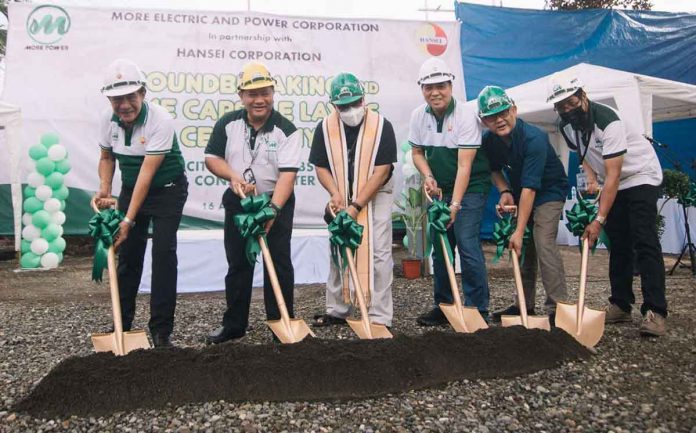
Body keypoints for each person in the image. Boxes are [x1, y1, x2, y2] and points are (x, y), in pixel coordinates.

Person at [547, 74, 667, 336]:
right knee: (618, 241)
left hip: (639, 175)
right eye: (561, 106)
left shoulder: (607, 121)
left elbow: (613, 175)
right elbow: (582, 153)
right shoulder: (566, 126)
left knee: (643, 239)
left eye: (571, 102)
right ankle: (621, 304)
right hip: (614, 181)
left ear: (582, 96)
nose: (568, 109)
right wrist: (590, 174)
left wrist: (598, 219)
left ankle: (655, 310)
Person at [204, 61, 301, 344]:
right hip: (240, 203)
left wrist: (273, 209)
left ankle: (281, 322)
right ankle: (234, 325)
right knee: (238, 263)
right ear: (241, 95)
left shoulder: (287, 130)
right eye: (252, 93)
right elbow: (212, 158)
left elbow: (288, 175)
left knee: (279, 263)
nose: (259, 100)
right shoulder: (228, 123)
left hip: (276, 202)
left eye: (265, 92)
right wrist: (234, 177)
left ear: (273, 93)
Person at [96, 58, 188, 348]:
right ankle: (121, 324)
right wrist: (105, 189)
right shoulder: (107, 122)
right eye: (116, 99)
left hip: (166, 189)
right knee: (128, 255)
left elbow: (147, 176)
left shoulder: (160, 120)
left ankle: (161, 331)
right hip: (131, 188)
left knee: (162, 254)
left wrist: (127, 220)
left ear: (143, 94)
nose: (124, 105)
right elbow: (107, 157)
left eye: (130, 97)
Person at [309, 72, 397, 328]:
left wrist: (356, 206)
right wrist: (335, 193)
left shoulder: (382, 126)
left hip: (376, 193)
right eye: (344, 106)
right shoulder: (325, 128)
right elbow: (321, 166)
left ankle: (380, 315)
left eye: (355, 103)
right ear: (334, 106)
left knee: (379, 252)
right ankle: (338, 309)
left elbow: (381, 171)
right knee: (339, 246)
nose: (351, 110)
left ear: (364, 99)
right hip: (342, 193)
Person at [409, 57, 491, 325]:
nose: (435, 92)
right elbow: (417, 153)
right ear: (422, 89)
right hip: (440, 190)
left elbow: (464, 166)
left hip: (471, 188)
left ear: (451, 85)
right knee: (441, 246)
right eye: (428, 87)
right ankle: (444, 306)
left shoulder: (466, 114)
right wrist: (429, 176)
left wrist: (455, 206)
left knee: (466, 243)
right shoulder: (418, 116)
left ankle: (477, 308)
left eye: (441, 85)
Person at [478, 86, 569, 324]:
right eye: (491, 117)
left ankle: (558, 307)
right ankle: (523, 306)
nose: (499, 120)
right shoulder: (489, 141)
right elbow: (493, 169)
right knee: (523, 248)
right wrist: (505, 190)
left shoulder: (535, 138)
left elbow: (531, 189)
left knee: (542, 240)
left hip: (549, 191)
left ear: (514, 110)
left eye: (503, 112)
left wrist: (518, 230)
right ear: (483, 121)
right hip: (521, 192)